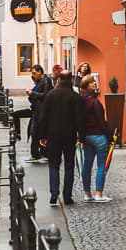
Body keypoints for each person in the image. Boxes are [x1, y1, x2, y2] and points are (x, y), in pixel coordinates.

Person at [39, 69, 86, 204]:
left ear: (59, 79)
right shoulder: (75, 97)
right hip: (69, 135)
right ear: (71, 80)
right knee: (69, 165)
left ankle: (54, 193)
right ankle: (67, 196)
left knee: (53, 164)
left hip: (53, 135)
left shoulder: (50, 95)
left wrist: (42, 135)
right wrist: (82, 137)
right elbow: (80, 120)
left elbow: (44, 117)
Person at [79, 74, 114, 202]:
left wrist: (81, 137)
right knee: (101, 166)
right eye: (91, 82)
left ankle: (87, 193)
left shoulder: (79, 101)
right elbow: (101, 121)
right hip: (99, 136)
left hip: (86, 137)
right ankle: (99, 194)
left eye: (94, 81)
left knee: (87, 165)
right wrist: (110, 137)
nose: (94, 83)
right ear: (86, 85)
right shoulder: (94, 102)